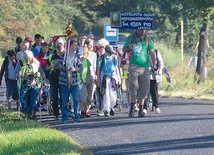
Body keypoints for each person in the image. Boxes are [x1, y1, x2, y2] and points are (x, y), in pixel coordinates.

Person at [122, 29, 156, 117]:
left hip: (144, 66)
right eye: (141, 29)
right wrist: (130, 47)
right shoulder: (130, 38)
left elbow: (152, 51)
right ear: (137, 29)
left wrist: (154, 65)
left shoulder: (147, 39)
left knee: (144, 87)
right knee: (133, 86)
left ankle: (141, 108)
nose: (143, 31)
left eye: (144, 30)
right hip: (133, 66)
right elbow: (124, 49)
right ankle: (132, 107)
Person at [58, 39, 83, 123]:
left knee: (75, 100)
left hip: (74, 81)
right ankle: (64, 118)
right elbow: (58, 65)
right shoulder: (64, 56)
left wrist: (75, 69)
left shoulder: (76, 57)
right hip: (64, 82)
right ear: (70, 46)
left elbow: (81, 68)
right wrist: (64, 65)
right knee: (64, 101)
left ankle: (76, 116)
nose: (76, 47)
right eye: (75, 45)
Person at [14, 50, 43, 119]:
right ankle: (28, 115)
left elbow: (41, 73)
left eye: (29, 58)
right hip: (24, 84)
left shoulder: (36, 63)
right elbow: (15, 73)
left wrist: (39, 74)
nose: (28, 59)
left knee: (34, 99)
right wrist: (18, 74)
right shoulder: (20, 63)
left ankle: (34, 114)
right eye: (26, 58)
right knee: (24, 100)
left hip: (34, 84)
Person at [97, 44, 121, 117]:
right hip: (104, 76)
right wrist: (98, 79)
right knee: (106, 93)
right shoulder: (101, 58)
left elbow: (116, 67)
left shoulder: (114, 58)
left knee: (113, 93)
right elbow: (98, 69)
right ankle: (106, 109)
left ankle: (111, 107)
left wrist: (118, 77)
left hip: (112, 75)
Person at [45, 39, 63, 119]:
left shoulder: (65, 56)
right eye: (58, 45)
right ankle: (56, 113)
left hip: (63, 78)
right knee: (54, 98)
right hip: (53, 78)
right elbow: (47, 68)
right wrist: (52, 66)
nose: (59, 47)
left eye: (61, 45)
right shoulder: (51, 56)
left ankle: (64, 112)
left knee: (63, 97)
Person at [143, 49, 164, 114]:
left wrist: (159, 70)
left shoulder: (156, 52)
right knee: (145, 91)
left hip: (154, 74)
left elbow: (160, 62)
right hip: (145, 74)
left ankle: (156, 107)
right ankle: (144, 108)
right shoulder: (143, 52)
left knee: (154, 91)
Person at [83, 38, 97, 117]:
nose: (91, 47)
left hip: (91, 75)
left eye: (92, 45)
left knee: (90, 93)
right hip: (83, 75)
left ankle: (87, 109)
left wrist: (95, 74)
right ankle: (82, 108)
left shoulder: (94, 54)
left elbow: (94, 65)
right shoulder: (83, 53)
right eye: (90, 45)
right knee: (83, 93)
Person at [76, 46, 91, 118]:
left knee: (82, 98)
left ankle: (80, 111)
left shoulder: (86, 61)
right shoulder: (74, 60)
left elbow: (89, 71)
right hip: (75, 81)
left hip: (83, 82)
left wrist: (88, 79)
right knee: (76, 98)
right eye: (78, 54)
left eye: (80, 54)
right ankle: (76, 111)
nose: (79, 56)